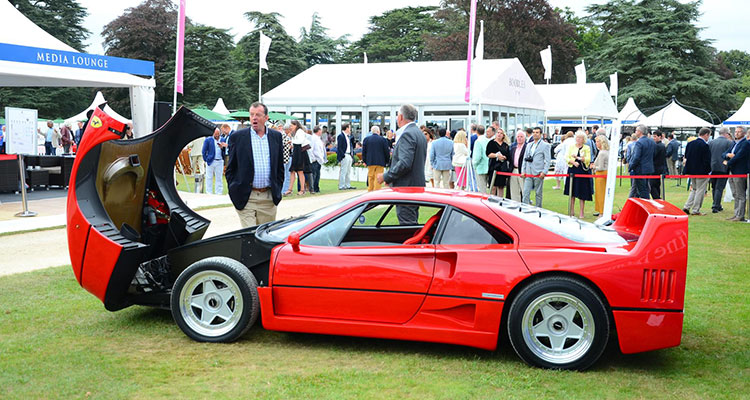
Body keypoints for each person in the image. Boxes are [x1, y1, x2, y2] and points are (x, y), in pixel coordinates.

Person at [225, 102, 284, 228]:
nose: (254, 118)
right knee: (250, 237)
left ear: (266, 118)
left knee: (265, 237)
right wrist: (234, 189)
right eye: (252, 115)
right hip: (247, 198)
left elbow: (279, 167)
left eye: (258, 115)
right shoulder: (238, 137)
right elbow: (231, 168)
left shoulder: (276, 137)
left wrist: (277, 189)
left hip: (268, 199)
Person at [377, 104, 426, 225]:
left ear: (400, 117)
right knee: (411, 222)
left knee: (407, 225)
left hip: (406, 188)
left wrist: (386, 176)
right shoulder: (419, 133)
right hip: (415, 186)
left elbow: (405, 163)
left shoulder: (407, 134)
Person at [682, 127, 712, 216]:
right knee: (700, 190)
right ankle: (696, 209)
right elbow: (707, 160)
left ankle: (687, 206)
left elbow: (686, 156)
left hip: (691, 170)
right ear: (706, 134)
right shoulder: (705, 145)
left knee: (694, 189)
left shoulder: (690, 144)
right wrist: (708, 170)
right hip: (701, 171)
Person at [564, 130, 593, 219]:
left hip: (582, 170)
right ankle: (572, 211)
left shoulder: (586, 148)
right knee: (572, 191)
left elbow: (588, 159)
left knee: (582, 192)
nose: (578, 139)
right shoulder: (571, 146)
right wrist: (572, 161)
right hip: (572, 170)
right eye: (577, 137)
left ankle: (581, 212)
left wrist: (578, 158)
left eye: (580, 138)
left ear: (583, 139)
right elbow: (566, 157)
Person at [723, 126, 749, 221]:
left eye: (739, 132)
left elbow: (739, 156)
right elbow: (724, 153)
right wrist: (727, 155)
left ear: (744, 133)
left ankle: (740, 215)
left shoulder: (745, 143)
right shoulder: (734, 143)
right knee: (735, 194)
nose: (736, 133)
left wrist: (728, 162)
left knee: (740, 194)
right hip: (732, 171)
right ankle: (736, 213)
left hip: (740, 171)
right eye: (736, 131)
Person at [521, 127, 551, 207]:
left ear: (541, 134)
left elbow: (548, 160)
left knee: (538, 193)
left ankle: (538, 209)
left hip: (538, 172)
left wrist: (544, 172)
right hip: (528, 172)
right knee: (526, 192)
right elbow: (524, 159)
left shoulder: (545, 145)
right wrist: (523, 171)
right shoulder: (529, 145)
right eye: (534, 132)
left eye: (537, 132)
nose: (535, 134)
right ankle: (524, 209)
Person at [708, 127, 733, 213]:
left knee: (714, 187)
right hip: (724, 167)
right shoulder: (729, 143)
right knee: (719, 187)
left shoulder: (711, 142)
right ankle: (716, 205)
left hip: (713, 167)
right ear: (726, 133)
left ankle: (716, 204)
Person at [628, 125, 655, 199]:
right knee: (645, 188)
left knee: (642, 190)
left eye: (636, 130)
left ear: (640, 132)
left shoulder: (639, 142)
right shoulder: (652, 142)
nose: (635, 132)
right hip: (649, 168)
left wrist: (631, 166)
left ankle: (646, 205)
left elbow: (636, 157)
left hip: (640, 169)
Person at [362, 125, 390, 191]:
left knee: (370, 177)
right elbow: (386, 151)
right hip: (380, 161)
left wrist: (365, 160)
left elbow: (364, 151)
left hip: (370, 161)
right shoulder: (383, 139)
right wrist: (387, 161)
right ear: (378, 131)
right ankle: (376, 191)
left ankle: (370, 190)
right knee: (378, 177)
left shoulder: (366, 139)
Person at [288, 120, 310, 196]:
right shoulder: (296, 132)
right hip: (296, 152)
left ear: (296, 125)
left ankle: (302, 189)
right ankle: (290, 189)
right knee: (292, 171)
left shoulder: (300, 131)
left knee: (300, 171)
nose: (290, 127)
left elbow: (300, 141)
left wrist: (292, 141)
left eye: (291, 126)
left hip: (300, 153)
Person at [486, 127, 511, 197]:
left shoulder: (505, 145)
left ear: (503, 135)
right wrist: (496, 155)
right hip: (493, 167)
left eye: (501, 133)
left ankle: (500, 201)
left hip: (502, 168)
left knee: (501, 187)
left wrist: (504, 157)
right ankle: (492, 201)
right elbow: (488, 154)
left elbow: (508, 156)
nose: (499, 134)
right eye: (498, 133)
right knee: (493, 187)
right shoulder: (491, 143)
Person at [202, 128, 226, 195]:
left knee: (219, 177)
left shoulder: (223, 140)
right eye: (216, 134)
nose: (217, 136)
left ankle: (218, 192)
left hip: (220, 161)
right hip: (211, 161)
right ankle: (209, 192)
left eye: (218, 134)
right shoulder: (208, 140)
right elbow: (204, 151)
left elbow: (225, 151)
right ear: (213, 133)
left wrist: (222, 148)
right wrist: (206, 159)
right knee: (209, 177)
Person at [591, 135, 610, 216]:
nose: (596, 143)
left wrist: (593, 166)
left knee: (601, 193)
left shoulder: (602, 153)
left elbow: (601, 167)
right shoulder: (605, 152)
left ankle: (601, 212)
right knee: (600, 193)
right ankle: (600, 210)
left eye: (597, 141)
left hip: (601, 174)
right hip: (602, 174)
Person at [508, 130, 527, 201]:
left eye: (521, 137)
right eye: (518, 137)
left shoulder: (527, 148)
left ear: (524, 138)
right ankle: (515, 206)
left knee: (524, 190)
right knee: (514, 190)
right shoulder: (513, 148)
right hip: (513, 170)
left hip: (522, 171)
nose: (519, 138)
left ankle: (525, 206)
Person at [336, 122, 356, 190]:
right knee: (343, 171)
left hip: (349, 154)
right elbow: (340, 147)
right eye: (349, 128)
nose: (350, 129)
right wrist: (342, 155)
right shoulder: (341, 136)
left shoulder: (348, 136)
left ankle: (348, 184)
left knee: (348, 171)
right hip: (345, 154)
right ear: (346, 128)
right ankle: (341, 185)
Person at [472, 125, 491, 193]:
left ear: (476, 131)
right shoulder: (488, 140)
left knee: (482, 188)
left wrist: (474, 165)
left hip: (480, 167)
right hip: (488, 166)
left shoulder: (478, 141)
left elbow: (477, 156)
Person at [309, 125, 327, 194]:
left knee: (317, 174)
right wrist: (313, 158)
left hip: (319, 159)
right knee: (314, 174)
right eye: (321, 130)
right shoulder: (313, 138)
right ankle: (313, 188)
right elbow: (311, 149)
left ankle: (316, 187)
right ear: (318, 131)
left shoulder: (318, 138)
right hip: (315, 159)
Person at [650, 130, 667, 200]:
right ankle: (658, 199)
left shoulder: (658, 146)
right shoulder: (662, 145)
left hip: (655, 168)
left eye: (655, 136)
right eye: (653, 136)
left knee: (652, 186)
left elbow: (653, 156)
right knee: (657, 186)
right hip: (660, 168)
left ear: (659, 137)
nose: (653, 138)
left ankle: (657, 199)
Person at [281, 123, 293, 194]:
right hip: (284, 157)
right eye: (290, 129)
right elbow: (281, 145)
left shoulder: (288, 136)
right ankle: (283, 190)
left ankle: (286, 190)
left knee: (288, 174)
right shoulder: (282, 135)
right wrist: (289, 143)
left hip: (288, 156)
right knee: (284, 175)